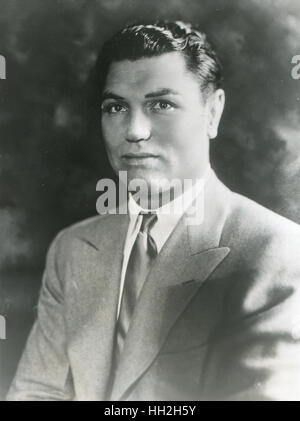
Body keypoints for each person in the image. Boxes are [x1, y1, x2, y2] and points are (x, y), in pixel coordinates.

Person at [7, 20, 300, 401]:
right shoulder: (73, 248)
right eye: (115, 107)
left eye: (161, 104)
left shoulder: (276, 253)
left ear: (212, 113)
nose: (135, 131)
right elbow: (35, 392)